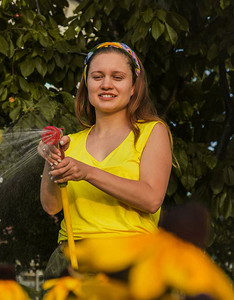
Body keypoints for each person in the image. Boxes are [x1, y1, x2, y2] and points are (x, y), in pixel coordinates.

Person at [37, 42, 173, 279]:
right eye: (97, 76)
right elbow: (51, 207)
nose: (106, 84)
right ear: (86, 85)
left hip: (131, 261)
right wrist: (52, 159)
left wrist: (87, 172)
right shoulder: (71, 142)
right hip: (72, 261)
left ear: (133, 87)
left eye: (117, 77)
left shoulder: (152, 131)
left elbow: (152, 199)